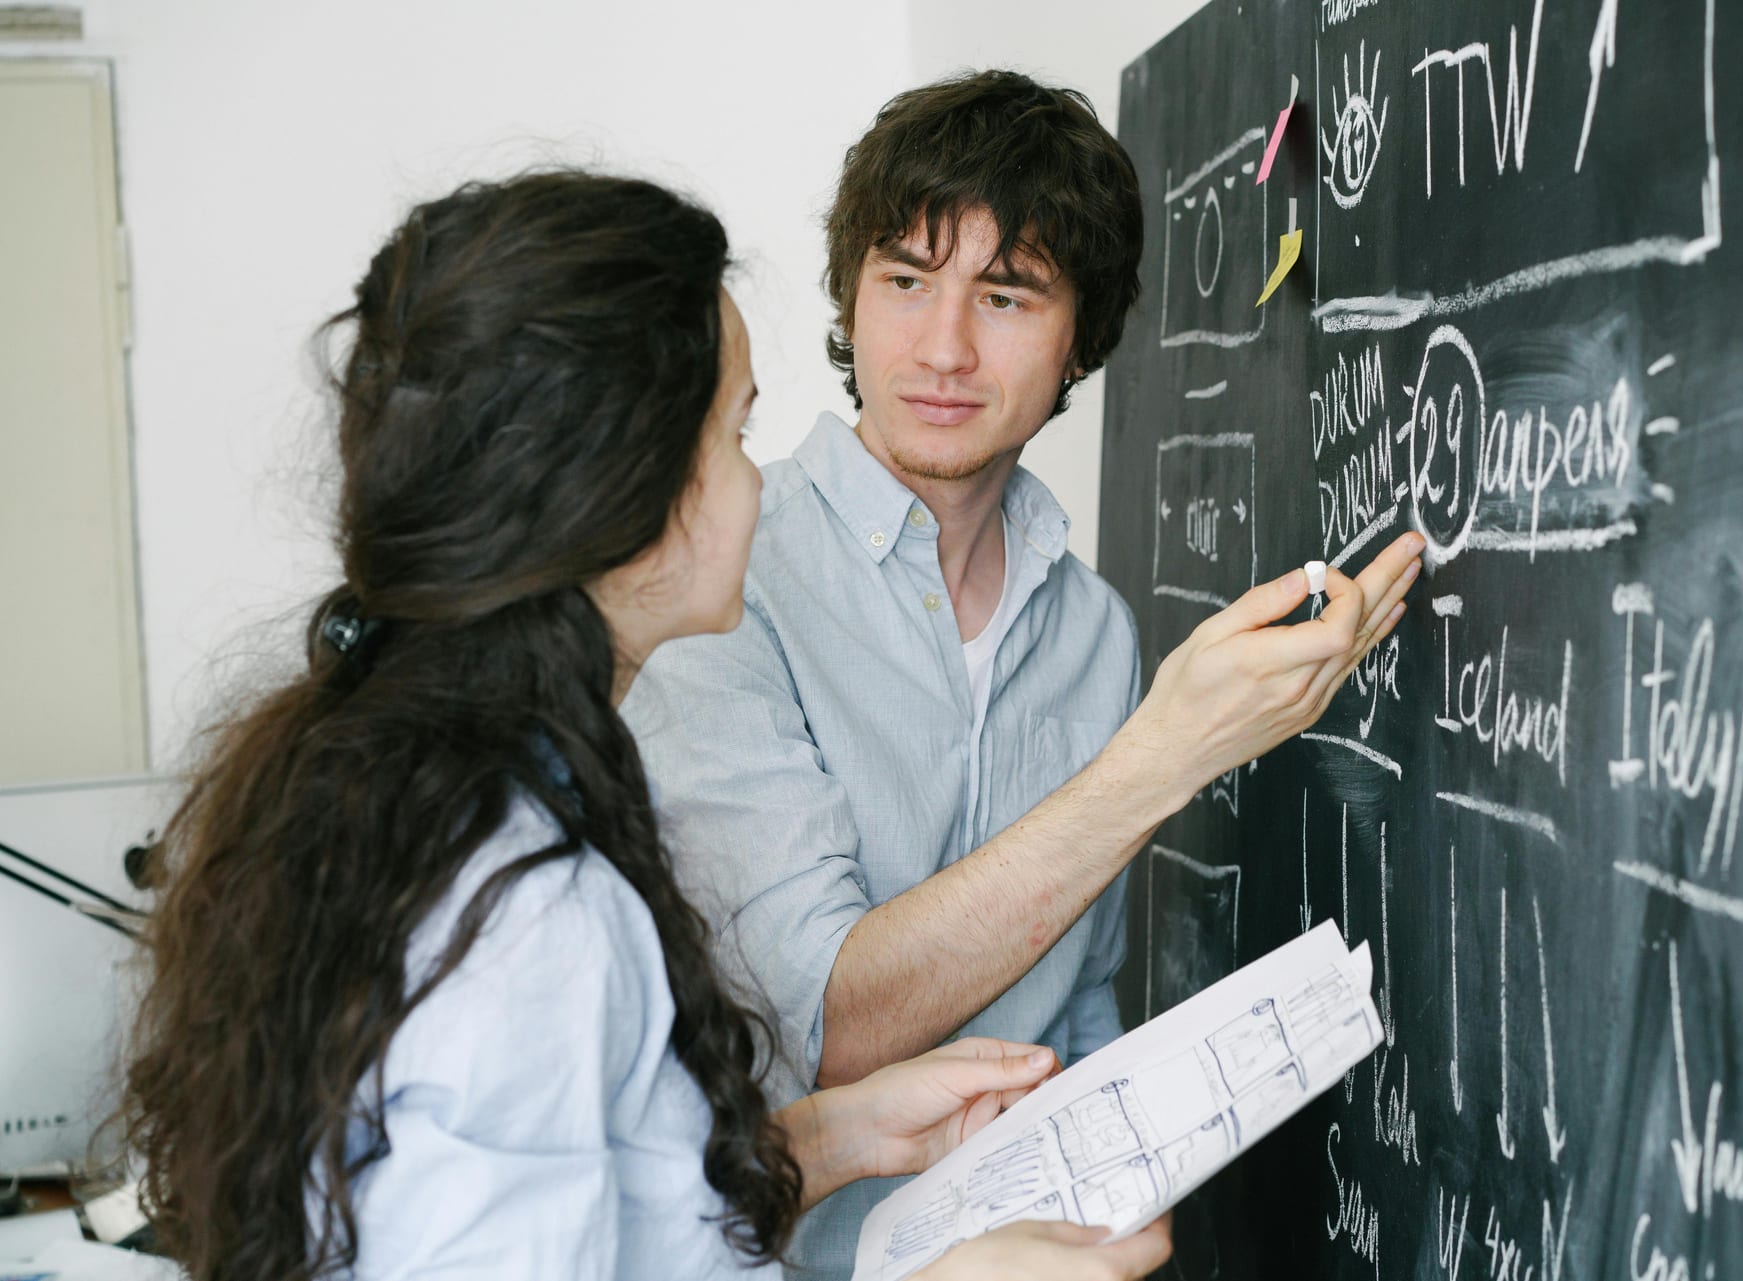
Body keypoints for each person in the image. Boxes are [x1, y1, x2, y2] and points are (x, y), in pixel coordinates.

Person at [115, 172, 1173, 1281]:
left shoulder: (449, 801)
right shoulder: (529, 911)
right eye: (734, 434)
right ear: (623, 488)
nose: (757, 482)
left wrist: (825, 1138)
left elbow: (608, 1210)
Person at [624, 70, 1423, 1279]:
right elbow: (827, 1024)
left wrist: (1129, 1193)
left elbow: (1080, 1009)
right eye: (905, 281)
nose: (942, 349)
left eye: (1004, 297)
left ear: (1079, 340)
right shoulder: (722, 587)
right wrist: (1163, 759)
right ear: (852, 295)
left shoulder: (1096, 632)